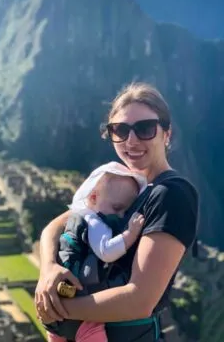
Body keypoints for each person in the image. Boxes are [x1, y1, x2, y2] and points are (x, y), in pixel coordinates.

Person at [35, 82, 198, 341]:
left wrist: (56, 309)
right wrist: (48, 270)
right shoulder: (120, 184)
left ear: (166, 134)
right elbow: (56, 226)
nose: (131, 140)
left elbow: (138, 299)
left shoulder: (171, 195)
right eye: (120, 130)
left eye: (145, 128)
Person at [44, 161, 147, 342]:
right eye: (117, 208)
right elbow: (106, 251)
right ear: (93, 198)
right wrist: (130, 234)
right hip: (83, 315)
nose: (121, 216)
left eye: (126, 210)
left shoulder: (78, 216)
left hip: (55, 309)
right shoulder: (95, 222)